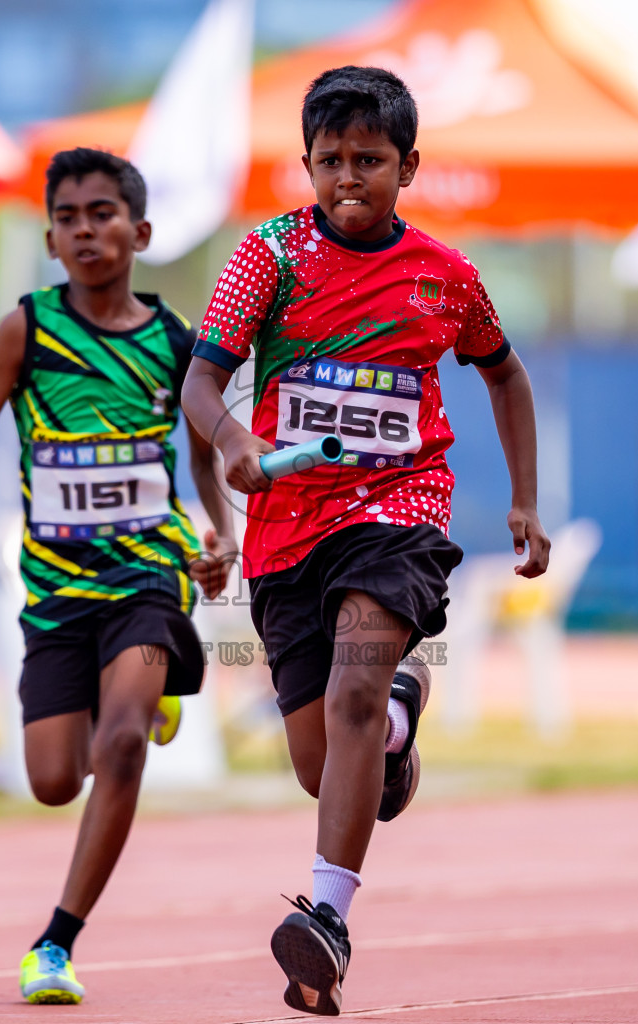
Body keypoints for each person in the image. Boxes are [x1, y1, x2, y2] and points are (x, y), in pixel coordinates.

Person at [180, 66, 551, 1016]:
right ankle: (396, 717)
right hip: (285, 528)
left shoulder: (447, 277)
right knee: (323, 760)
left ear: (409, 166)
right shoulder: (268, 256)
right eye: (332, 160)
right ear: (304, 164)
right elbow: (201, 386)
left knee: (351, 686)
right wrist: (236, 442)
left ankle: (329, 919)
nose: (350, 178)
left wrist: (523, 501)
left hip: (398, 507)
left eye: (371, 160)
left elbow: (505, 379)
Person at [0, 148, 237, 1003]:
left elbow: (202, 452)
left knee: (124, 742)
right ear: (50, 239)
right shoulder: (27, 328)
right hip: (57, 589)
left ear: (139, 231)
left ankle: (56, 943)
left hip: (149, 570)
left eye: (102, 214)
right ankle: (133, 707)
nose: (85, 230)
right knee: (55, 779)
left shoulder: (172, 342)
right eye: (67, 218)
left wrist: (219, 532)